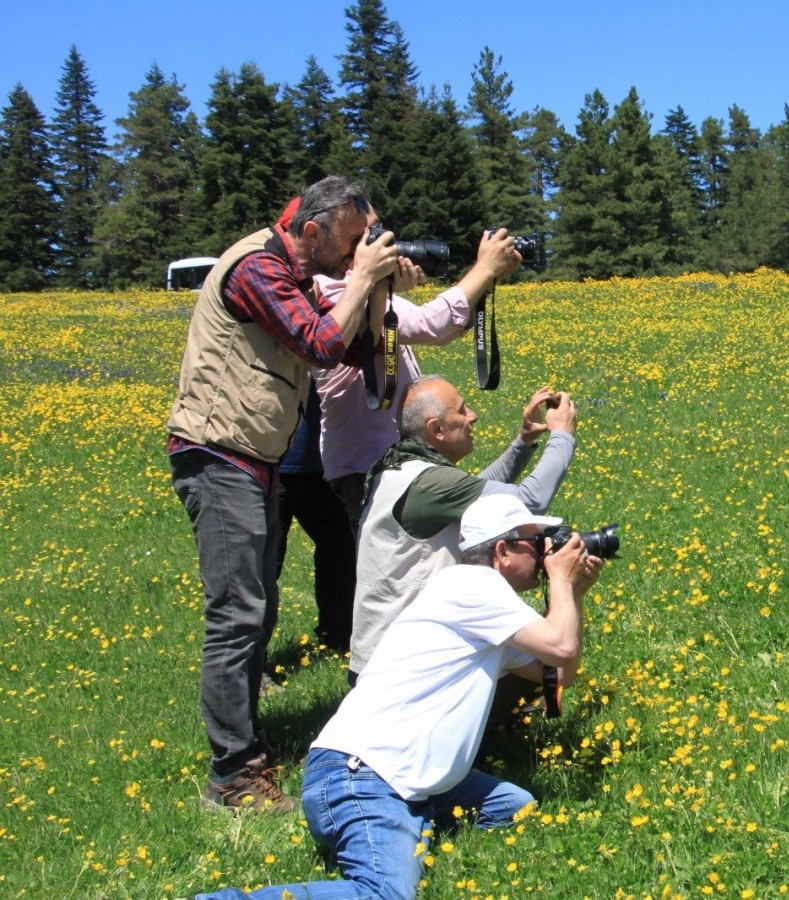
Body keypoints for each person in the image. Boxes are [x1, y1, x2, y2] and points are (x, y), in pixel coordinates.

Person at [193, 493, 603, 900]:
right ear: (503, 550)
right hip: (362, 776)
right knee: (384, 896)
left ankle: (409, 824)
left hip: (404, 780)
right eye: (537, 542)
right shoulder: (472, 584)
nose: (548, 552)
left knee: (518, 806)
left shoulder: (487, 607)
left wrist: (574, 595)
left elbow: (559, 673)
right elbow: (563, 648)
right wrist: (563, 582)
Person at [166, 175, 401, 812]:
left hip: (255, 459)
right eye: (353, 241)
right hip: (219, 455)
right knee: (239, 613)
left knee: (255, 609)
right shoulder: (255, 268)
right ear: (312, 231)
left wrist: (375, 287)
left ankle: (243, 746)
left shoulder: (295, 277)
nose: (357, 253)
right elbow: (321, 345)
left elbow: (354, 350)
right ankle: (234, 776)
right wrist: (359, 283)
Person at [348, 374, 577, 682]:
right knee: (532, 668)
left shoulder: (401, 470)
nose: (474, 416)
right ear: (436, 429)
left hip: (378, 654)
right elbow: (529, 503)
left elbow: (476, 490)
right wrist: (562, 435)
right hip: (406, 667)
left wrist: (523, 442)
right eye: (462, 409)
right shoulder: (429, 482)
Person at [312, 225, 524, 531]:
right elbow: (429, 325)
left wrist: (488, 279)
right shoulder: (330, 288)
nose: (387, 245)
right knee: (389, 565)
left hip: (392, 457)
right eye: (370, 236)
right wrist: (483, 268)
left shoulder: (373, 289)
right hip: (366, 462)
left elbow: (443, 330)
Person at [275, 382, 357, 652]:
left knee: (341, 544)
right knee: (264, 561)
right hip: (274, 459)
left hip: (323, 457)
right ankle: (253, 664)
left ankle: (338, 638)